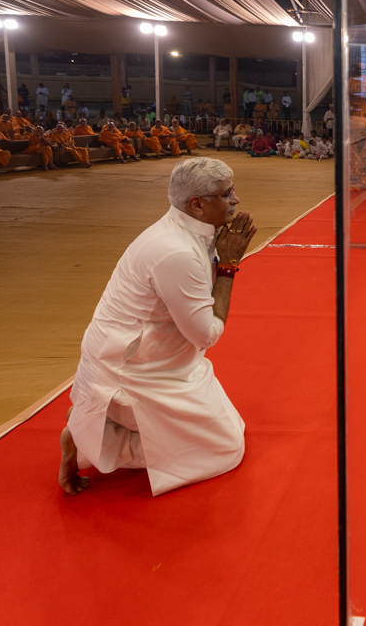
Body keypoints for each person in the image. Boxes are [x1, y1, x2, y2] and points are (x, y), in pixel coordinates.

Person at [59, 158, 254, 497]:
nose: (236, 200)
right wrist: (228, 266)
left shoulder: (187, 230)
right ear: (197, 204)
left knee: (233, 426)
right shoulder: (174, 250)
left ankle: (103, 426)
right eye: (227, 193)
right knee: (225, 448)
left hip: (161, 358)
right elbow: (207, 333)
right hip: (133, 369)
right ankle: (92, 439)